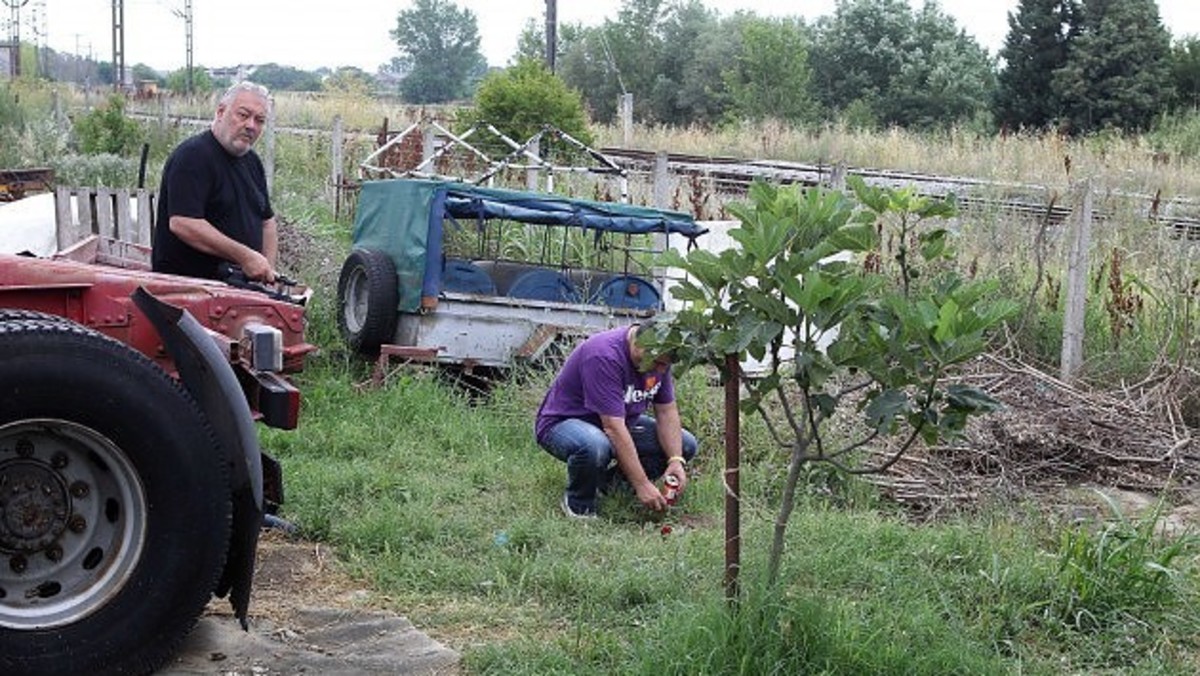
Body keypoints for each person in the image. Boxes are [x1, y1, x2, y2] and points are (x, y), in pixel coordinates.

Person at [535, 323, 699, 518]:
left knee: (686, 445)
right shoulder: (603, 355)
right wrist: (642, 484)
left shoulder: (658, 356)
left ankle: (607, 487)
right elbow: (613, 428)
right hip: (563, 424)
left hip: (618, 425)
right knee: (595, 445)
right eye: (658, 363)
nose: (661, 370)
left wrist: (675, 460)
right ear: (640, 345)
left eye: (666, 365)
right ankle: (580, 506)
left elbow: (666, 411)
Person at [152, 81, 278, 282]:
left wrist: (267, 272)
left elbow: (267, 223)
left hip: (237, 290)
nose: (251, 126)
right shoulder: (192, 156)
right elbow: (183, 223)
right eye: (243, 115)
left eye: (260, 120)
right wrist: (245, 256)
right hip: (189, 291)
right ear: (221, 112)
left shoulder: (252, 162)